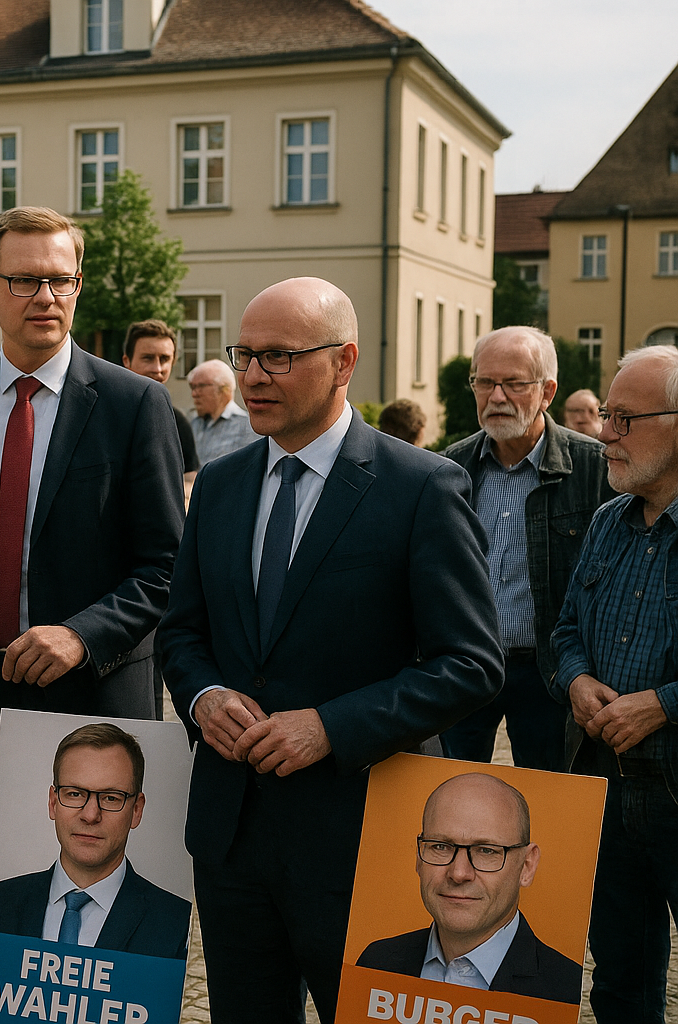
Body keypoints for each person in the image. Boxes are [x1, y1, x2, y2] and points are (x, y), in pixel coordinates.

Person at [157, 277, 501, 1022]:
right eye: (244, 355)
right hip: (234, 837)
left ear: (344, 361)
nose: (253, 377)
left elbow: (471, 664)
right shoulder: (219, 484)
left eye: (278, 357)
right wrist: (203, 696)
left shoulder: (421, 487)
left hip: (366, 836)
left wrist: (331, 726)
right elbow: (183, 631)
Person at [0, 206, 183, 958]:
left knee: (103, 932)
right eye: (26, 279)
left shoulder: (135, 405)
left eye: (60, 279)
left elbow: (166, 565)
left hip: (92, 701)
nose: (46, 296)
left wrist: (82, 633)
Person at [551, 345, 678, 1023]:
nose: (605, 435)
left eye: (625, 419)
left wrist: (663, 703)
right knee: (622, 984)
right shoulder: (608, 522)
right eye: (607, 416)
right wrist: (575, 680)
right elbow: (566, 629)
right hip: (605, 789)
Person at [440, 327, 614, 771]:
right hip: (466, 665)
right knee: (449, 791)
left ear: (547, 392)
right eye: (484, 382)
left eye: (514, 383)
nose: (496, 396)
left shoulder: (594, 469)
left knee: (548, 800)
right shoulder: (450, 468)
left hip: (550, 671)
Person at [357, 774, 581, 1004]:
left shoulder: (567, 989)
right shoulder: (375, 964)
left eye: (486, 851)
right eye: (440, 846)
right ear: (418, 859)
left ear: (527, 866)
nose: (459, 873)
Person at [0, 723, 191, 959]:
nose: (90, 815)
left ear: (137, 810)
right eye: (75, 794)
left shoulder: (174, 921)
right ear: (53, 802)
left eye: (110, 798)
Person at [122, 319, 200, 487]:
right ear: (126, 361)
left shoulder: (178, 421)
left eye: (164, 359)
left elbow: (189, 479)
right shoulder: (104, 413)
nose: (157, 369)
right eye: (148, 358)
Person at [187, 357, 259, 463]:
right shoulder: (194, 424)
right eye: (192, 387)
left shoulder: (249, 427)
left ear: (224, 389)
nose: (194, 394)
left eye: (201, 386)